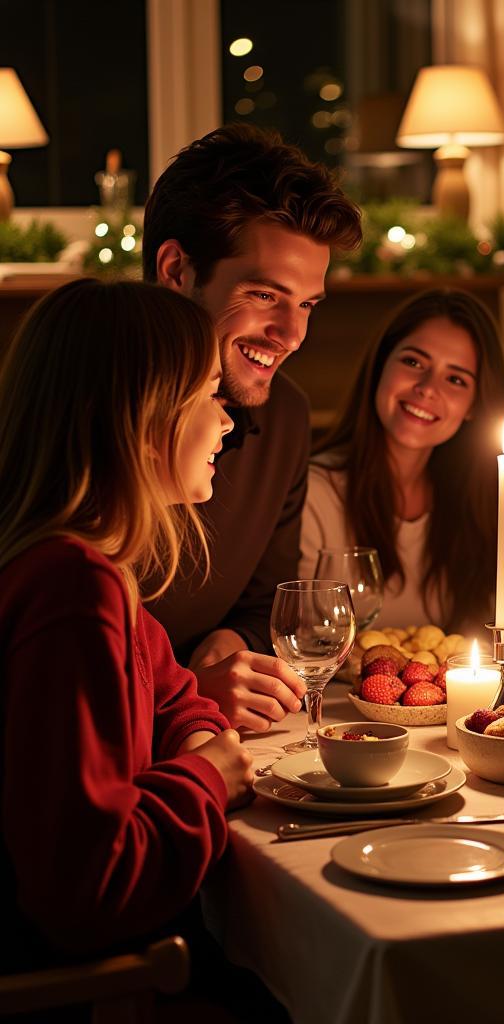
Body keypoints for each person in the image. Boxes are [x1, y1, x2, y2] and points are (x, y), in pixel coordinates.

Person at [0, 279, 252, 972]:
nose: (227, 420)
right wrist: (207, 777)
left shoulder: (94, 570)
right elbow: (88, 889)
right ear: (143, 422)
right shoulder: (72, 591)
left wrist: (200, 739)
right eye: (208, 393)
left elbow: (175, 697)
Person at [143, 123, 363, 732]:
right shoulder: (76, 413)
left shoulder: (284, 416)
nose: (292, 335)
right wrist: (184, 697)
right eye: (266, 295)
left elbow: (264, 605)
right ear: (176, 270)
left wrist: (229, 646)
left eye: (308, 305)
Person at [300, 288, 504, 632]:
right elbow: (300, 639)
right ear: (380, 365)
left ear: (475, 405)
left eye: (456, 379)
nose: (428, 388)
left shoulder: (478, 503)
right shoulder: (314, 494)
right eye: (414, 362)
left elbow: (483, 637)